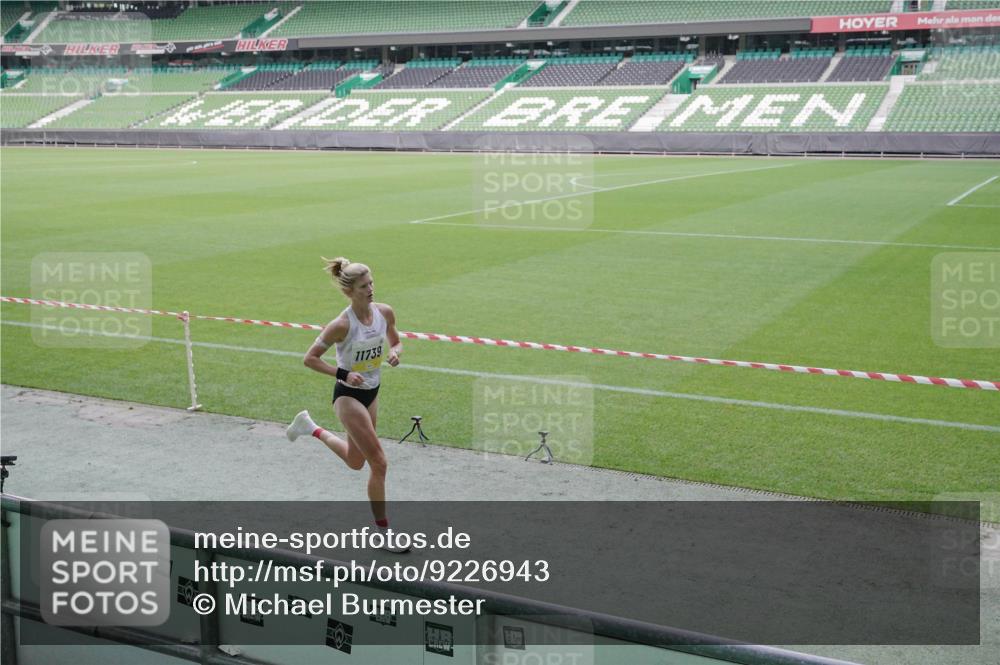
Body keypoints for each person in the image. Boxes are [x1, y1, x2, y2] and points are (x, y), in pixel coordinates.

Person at [285, 257, 407, 552]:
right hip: (348, 397)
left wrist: (395, 352)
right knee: (379, 463)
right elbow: (309, 359)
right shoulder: (341, 325)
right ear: (349, 291)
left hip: (372, 393)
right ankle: (383, 533)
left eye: (371, 283)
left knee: (356, 462)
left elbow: (396, 341)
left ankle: (309, 427)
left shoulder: (384, 312)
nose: (371, 289)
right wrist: (343, 374)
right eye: (364, 286)